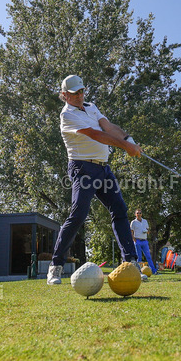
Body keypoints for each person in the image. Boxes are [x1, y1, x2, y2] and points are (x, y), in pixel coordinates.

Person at [48, 75, 142, 285]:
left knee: (119, 210)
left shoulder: (91, 107)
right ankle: (55, 267)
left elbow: (107, 127)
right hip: (83, 169)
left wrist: (129, 140)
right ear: (64, 95)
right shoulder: (67, 116)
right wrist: (125, 147)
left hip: (103, 169)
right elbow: (94, 134)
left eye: (81, 91)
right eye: (74, 93)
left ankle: (131, 263)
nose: (80, 96)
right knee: (79, 214)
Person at [130, 209, 157, 277]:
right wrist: (134, 240)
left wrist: (146, 231)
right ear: (135, 214)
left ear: (141, 214)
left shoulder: (145, 221)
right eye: (137, 213)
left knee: (148, 256)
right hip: (137, 241)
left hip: (144, 241)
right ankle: (139, 272)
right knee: (139, 258)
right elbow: (131, 232)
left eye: (140, 213)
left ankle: (154, 271)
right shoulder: (133, 222)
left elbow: (148, 230)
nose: (139, 214)